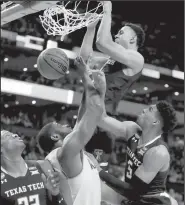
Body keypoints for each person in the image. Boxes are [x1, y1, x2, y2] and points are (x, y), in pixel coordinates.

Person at [37, 56, 106, 205]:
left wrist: (87, 82)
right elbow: (95, 110)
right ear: (55, 136)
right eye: (59, 124)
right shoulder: (66, 152)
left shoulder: (66, 151)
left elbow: (82, 116)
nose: (65, 124)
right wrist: (86, 77)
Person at [97, 92, 178, 204]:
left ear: (155, 122)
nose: (144, 110)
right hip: (131, 195)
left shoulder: (158, 152)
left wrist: (99, 171)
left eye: (150, 110)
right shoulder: (132, 130)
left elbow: (133, 191)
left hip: (149, 201)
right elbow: (102, 119)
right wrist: (99, 92)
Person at [80, 1, 145, 115]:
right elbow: (84, 60)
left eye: (121, 33)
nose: (116, 35)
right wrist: (91, 29)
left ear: (133, 39)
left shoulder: (137, 59)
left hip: (102, 117)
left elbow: (102, 42)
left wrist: (107, 10)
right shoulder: (111, 61)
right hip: (87, 114)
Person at [1, 130, 67, 205]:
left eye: (13, 133)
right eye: (7, 136)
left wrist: (55, 194)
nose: (15, 135)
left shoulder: (41, 166)